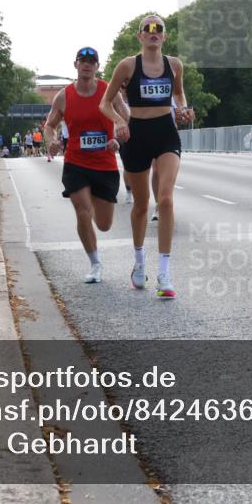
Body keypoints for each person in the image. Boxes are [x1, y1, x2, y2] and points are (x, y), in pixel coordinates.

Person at [100, 15, 194, 298]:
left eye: (159, 29)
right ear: (140, 36)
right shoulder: (128, 65)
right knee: (141, 205)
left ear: (164, 36)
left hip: (166, 133)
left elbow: (179, 95)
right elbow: (105, 102)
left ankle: (164, 273)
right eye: (148, 28)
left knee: (165, 199)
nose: (154, 32)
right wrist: (119, 120)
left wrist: (183, 109)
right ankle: (139, 262)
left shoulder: (174, 65)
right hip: (136, 135)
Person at [44, 47, 129, 284]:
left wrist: (117, 138)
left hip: (105, 164)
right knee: (82, 211)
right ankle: (95, 264)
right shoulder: (64, 95)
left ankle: (92, 205)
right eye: (83, 61)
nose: (87, 65)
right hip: (76, 163)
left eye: (92, 62)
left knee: (103, 224)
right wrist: (50, 142)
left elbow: (125, 119)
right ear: (76, 64)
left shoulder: (108, 93)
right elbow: (50, 125)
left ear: (97, 67)